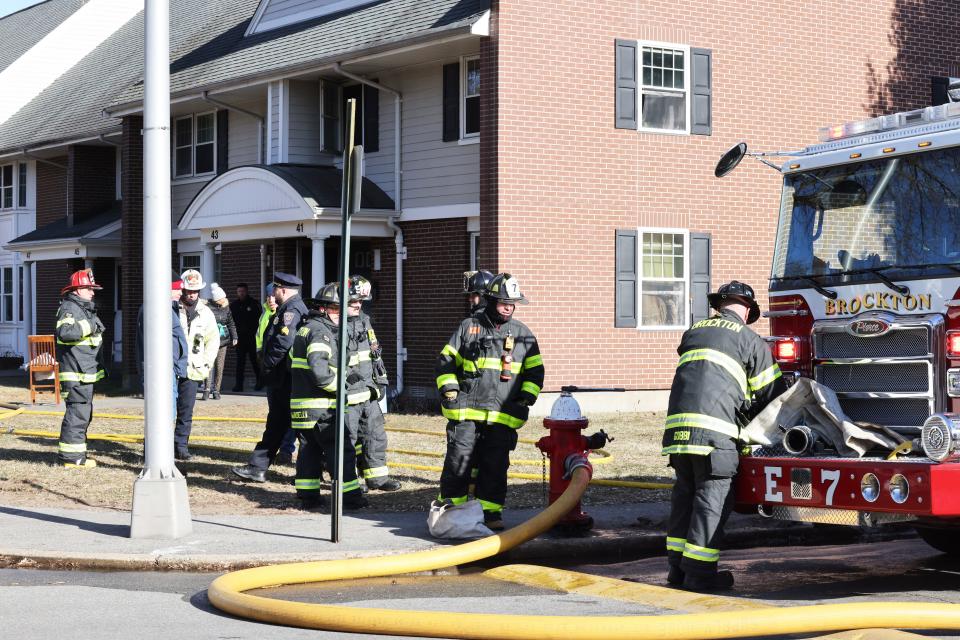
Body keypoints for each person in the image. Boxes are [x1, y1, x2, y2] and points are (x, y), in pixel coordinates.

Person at [661, 280, 787, 592]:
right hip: (716, 435)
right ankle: (700, 574)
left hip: (678, 432)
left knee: (684, 498)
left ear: (719, 305)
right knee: (711, 501)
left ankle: (676, 571)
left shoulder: (694, 331)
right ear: (746, 310)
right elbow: (773, 397)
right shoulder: (749, 340)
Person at [435, 273, 544, 531]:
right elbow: (445, 362)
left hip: (501, 415)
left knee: (495, 465)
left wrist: (525, 397)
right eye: (504, 301)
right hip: (466, 412)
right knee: (458, 462)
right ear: (491, 300)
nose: (509, 307)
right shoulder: (468, 327)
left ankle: (490, 514)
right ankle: (451, 512)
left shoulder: (522, 333)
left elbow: (535, 370)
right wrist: (450, 390)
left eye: (512, 303)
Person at [291, 282, 368, 510]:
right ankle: (350, 497)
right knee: (341, 451)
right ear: (323, 308)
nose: (339, 313)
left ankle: (308, 496)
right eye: (336, 308)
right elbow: (319, 370)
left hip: (304, 407)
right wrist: (340, 388)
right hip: (322, 406)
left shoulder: (306, 327)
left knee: (309, 451)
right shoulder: (321, 332)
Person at [232, 272, 308, 482]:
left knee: (302, 430)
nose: (273, 293)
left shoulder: (291, 310)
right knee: (276, 424)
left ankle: (308, 473)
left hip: (287, 379)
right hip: (282, 379)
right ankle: (258, 467)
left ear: (282, 289)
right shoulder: (287, 308)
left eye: (275, 289)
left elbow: (283, 342)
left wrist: (266, 365)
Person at [345, 275, 401, 492]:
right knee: (347, 439)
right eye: (353, 302)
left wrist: (380, 380)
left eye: (360, 301)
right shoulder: (332, 326)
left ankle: (377, 478)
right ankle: (350, 482)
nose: (358, 305)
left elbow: (373, 352)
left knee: (375, 435)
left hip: (369, 390)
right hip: (348, 393)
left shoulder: (364, 320)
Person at [55, 269, 106, 468]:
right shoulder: (70, 308)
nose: (92, 292)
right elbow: (65, 333)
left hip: (83, 371)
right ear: (76, 290)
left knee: (82, 413)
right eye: (88, 288)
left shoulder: (81, 308)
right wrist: (91, 326)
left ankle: (77, 454)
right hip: (76, 372)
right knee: (77, 413)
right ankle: (71, 458)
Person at [174, 269, 219, 461]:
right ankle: (155, 445)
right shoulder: (172, 309)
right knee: (164, 411)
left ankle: (181, 446)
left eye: (195, 291)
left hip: (193, 369)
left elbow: (213, 341)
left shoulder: (206, 313)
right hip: (173, 368)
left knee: (186, 412)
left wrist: (206, 365)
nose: (191, 294)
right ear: (182, 290)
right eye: (188, 291)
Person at [136, 277, 189, 413]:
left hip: (170, 367)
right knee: (164, 410)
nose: (180, 293)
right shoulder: (156, 310)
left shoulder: (169, 308)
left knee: (170, 407)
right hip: (161, 369)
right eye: (176, 289)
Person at [204, 283, 237, 401]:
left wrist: (235, 336)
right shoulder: (207, 308)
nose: (225, 300)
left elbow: (230, 323)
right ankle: (206, 389)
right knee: (208, 365)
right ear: (217, 299)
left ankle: (216, 390)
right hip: (209, 341)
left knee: (220, 367)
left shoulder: (226, 308)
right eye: (222, 298)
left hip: (223, 342)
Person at [230, 283, 261, 392]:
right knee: (240, 363)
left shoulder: (254, 304)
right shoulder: (234, 306)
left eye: (243, 291)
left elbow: (259, 320)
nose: (241, 293)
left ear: (247, 291)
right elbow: (231, 321)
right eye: (239, 291)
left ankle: (259, 383)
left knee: (255, 361)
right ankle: (239, 385)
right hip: (240, 339)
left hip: (252, 338)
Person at [253, 283, 278, 391]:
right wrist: (259, 350)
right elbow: (259, 334)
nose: (271, 300)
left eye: (274, 296)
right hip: (264, 353)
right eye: (269, 297)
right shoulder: (265, 314)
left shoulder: (282, 313)